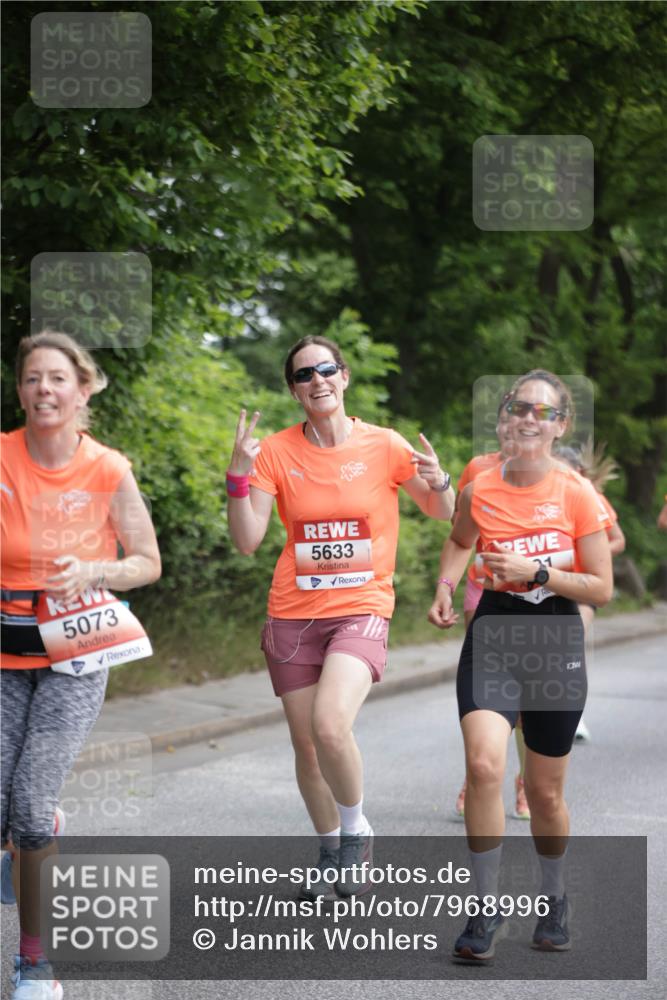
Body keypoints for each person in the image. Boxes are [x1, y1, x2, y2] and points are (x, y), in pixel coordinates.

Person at [227, 335, 454, 897]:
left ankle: (356, 831)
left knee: (331, 724)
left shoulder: (384, 445)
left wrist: (442, 480)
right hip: (291, 614)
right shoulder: (276, 452)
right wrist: (237, 476)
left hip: (362, 607)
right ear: (294, 390)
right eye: (305, 374)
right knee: (306, 745)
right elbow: (249, 540)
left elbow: (445, 514)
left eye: (327, 369)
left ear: (344, 377)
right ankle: (330, 847)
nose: (317, 380)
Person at [428, 369, 612, 963]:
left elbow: (601, 588)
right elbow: (459, 538)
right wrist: (446, 584)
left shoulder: (576, 493)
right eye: (517, 408)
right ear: (503, 418)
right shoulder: (479, 485)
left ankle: (553, 898)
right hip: (495, 636)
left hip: (555, 639)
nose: (527, 418)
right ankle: (484, 908)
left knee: (544, 792)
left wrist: (538, 573)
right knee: (483, 766)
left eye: (542, 412)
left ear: (560, 426)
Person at [1, 331, 161, 1000]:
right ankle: (28, 836)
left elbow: (147, 563)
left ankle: (34, 966)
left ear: (83, 388)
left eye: (58, 378)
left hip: (75, 656)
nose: (44, 389)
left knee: (31, 810)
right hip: (4, 657)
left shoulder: (106, 468)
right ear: (20, 390)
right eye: (33, 378)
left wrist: (96, 568)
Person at [453, 402, 530, 821]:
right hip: (481, 590)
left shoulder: (550, 477)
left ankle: (523, 779)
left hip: (535, 603)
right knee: (483, 693)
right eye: (503, 420)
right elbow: (459, 526)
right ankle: (477, 774)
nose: (510, 428)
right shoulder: (478, 469)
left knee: (521, 705)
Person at [556, 441, 626, 743]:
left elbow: (618, 540)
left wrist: (588, 555)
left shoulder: (592, 498)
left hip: (583, 584)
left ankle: (574, 714)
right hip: (548, 584)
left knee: (570, 639)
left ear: (579, 471)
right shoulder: (540, 496)